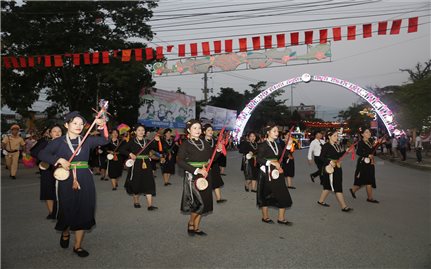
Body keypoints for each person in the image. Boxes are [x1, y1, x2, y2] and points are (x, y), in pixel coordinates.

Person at [38, 111, 109, 257]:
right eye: (74, 123)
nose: (78, 126)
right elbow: (42, 154)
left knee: (84, 208)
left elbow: (105, 141)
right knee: (66, 209)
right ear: (66, 125)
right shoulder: (59, 141)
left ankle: (78, 246)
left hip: (84, 178)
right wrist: (58, 160)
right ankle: (65, 232)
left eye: (81, 124)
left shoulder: (87, 140)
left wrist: (102, 127)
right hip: (66, 178)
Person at [177, 119, 222, 236]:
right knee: (198, 203)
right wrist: (197, 170)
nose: (198, 130)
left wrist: (218, 151)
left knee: (205, 202)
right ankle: (191, 222)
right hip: (193, 176)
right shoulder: (185, 145)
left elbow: (211, 159)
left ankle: (196, 227)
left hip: (206, 175)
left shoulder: (204, 143)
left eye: (199, 128)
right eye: (194, 128)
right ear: (188, 130)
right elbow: (180, 161)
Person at [256, 123, 293, 225]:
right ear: (268, 132)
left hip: (277, 172)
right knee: (265, 195)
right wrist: (271, 163)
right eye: (274, 131)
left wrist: (289, 145)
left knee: (283, 194)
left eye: (277, 131)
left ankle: (281, 218)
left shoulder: (277, 144)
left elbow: (284, 155)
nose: (277, 133)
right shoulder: (263, 145)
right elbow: (258, 159)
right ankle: (265, 217)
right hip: (266, 173)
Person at [120, 124, 160, 210]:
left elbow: (157, 149)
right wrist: (130, 154)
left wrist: (156, 141)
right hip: (136, 164)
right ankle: (136, 201)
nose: (141, 132)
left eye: (143, 130)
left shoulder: (148, 141)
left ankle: (150, 205)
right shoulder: (132, 141)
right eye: (139, 130)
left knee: (149, 182)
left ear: (145, 132)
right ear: (135, 132)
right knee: (136, 182)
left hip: (146, 164)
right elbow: (122, 149)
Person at [31, 125, 63, 219]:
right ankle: (51, 212)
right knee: (48, 191)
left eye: (59, 131)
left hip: (61, 170)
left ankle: (62, 211)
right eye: (54, 131)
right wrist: (46, 159)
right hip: (48, 170)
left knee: (62, 191)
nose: (57, 133)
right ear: (50, 133)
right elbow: (34, 152)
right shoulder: (45, 142)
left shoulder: (65, 143)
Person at [317, 130, 353, 212]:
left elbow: (337, 155)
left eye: (337, 136)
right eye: (334, 135)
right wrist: (329, 161)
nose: (336, 137)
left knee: (327, 186)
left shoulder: (336, 145)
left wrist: (345, 151)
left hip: (337, 166)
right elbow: (321, 157)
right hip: (330, 168)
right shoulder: (326, 146)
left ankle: (320, 201)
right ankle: (344, 206)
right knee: (337, 186)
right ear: (329, 136)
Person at [349, 129, 379, 203]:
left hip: (370, 162)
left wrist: (378, 144)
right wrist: (367, 155)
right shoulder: (361, 142)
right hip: (363, 163)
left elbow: (372, 151)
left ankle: (356, 191)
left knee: (369, 179)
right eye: (367, 132)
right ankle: (369, 197)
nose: (369, 133)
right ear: (362, 134)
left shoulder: (369, 141)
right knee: (366, 179)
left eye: (369, 132)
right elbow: (358, 152)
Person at [202, 124, 226, 203]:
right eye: (208, 130)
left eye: (211, 130)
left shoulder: (216, 141)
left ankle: (218, 199)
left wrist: (220, 149)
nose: (210, 132)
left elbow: (219, 153)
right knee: (204, 182)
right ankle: (203, 200)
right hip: (205, 165)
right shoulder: (201, 141)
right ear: (204, 132)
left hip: (214, 164)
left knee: (216, 181)